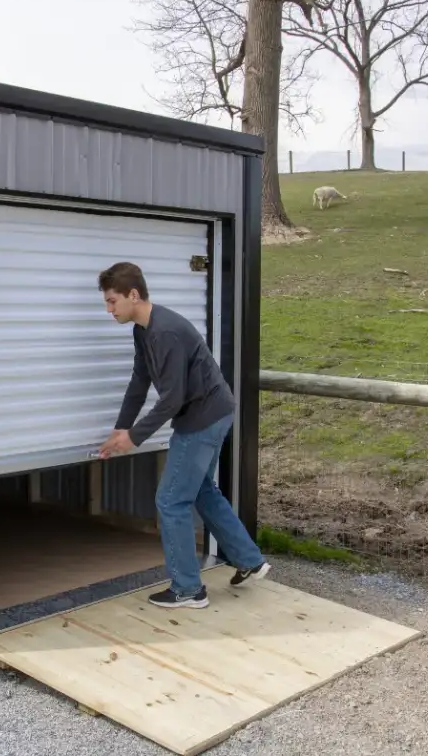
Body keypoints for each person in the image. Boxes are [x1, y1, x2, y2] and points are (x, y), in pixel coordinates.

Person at [95, 261, 270, 609]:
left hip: (203, 418)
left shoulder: (166, 333)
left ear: (133, 295)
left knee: (171, 500)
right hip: (212, 412)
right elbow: (139, 381)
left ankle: (189, 589)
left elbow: (172, 398)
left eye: (112, 301)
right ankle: (249, 559)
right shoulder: (143, 330)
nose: (108, 309)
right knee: (201, 489)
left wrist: (135, 438)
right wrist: (122, 425)